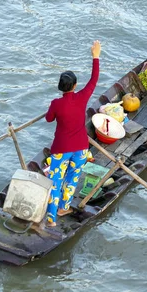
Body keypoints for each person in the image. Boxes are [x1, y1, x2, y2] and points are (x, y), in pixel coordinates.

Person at [44, 40, 101, 227]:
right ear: (75, 86)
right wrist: (95, 56)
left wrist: (54, 110)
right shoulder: (82, 97)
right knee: (72, 178)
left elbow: (49, 119)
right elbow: (93, 80)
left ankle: (51, 219)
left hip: (61, 149)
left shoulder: (56, 104)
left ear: (61, 87)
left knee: (55, 181)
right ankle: (64, 207)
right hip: (81, 147)